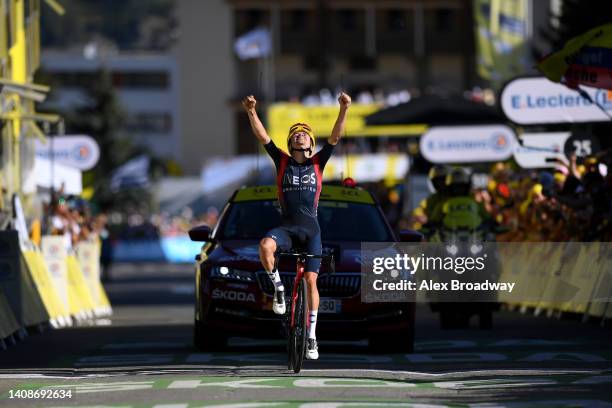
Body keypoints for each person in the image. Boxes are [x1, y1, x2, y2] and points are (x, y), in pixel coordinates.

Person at [242, 92, 352, 360]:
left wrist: (344, 108)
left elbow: (335, 137)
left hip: (312, 232)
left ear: (311, 142)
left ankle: (312, 336)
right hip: (288, 229)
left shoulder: (318, 162)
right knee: (265, 246)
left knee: (311, 282)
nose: (299, 135)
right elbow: (262, 137)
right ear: (290, 142)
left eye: (304, 133)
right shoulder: (282, 161)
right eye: (295, 133)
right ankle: (279, 290)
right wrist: (251, 111)